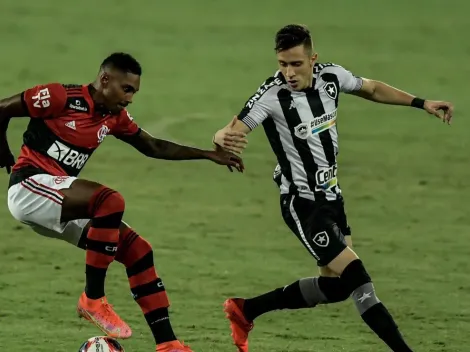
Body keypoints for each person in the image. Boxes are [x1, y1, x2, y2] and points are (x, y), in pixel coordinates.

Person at [212, 24, 453, 352]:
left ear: (313, 59)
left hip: (332, 199)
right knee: (359, 279)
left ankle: (246, 310)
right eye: (282, 64)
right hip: (303, 206)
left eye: (296, 64)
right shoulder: (271, 96)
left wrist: (421, 102)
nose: (288, 72)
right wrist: (220, 138)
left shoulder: (331, 77)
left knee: (337, 287)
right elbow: (232, 129)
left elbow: (371, 89)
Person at [0, 52, 244, 352]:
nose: (130, 98)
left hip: (62, 198)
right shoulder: (60, 97)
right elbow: (2, 109)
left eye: (134, 92)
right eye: (126, 89)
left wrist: (207, 155)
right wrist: (1, 146)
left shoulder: (114, 117)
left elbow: (151, 145)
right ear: (104, 80)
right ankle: (93, 299)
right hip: (30, 188)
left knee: (138, 251)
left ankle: (168, 344)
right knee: (109, 201)